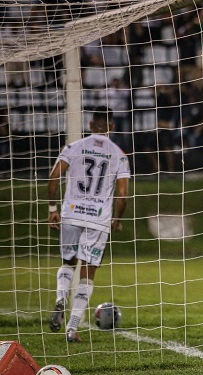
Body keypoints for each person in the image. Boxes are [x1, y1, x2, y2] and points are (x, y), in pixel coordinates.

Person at [47, 106, 130, 342]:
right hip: (99, 218)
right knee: (88, 272)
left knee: (68, 263)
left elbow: (54, 178)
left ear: (91, 125)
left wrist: (53, 210)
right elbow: (123, 195)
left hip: (72, 213)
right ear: (112, 128)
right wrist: (117, 219)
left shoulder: (74, 147)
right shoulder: (119, 155)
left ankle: (60, 297)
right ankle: (72, 328)